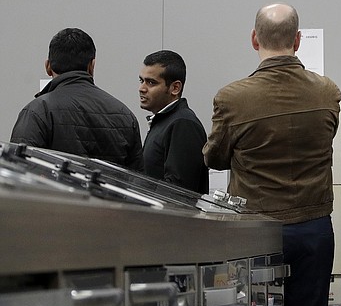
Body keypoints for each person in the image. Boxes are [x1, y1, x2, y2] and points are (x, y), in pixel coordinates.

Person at [203, 3, 341, 306]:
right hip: (312, 229)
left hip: (255, 232)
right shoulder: (327, 92)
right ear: (298, 40)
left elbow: (216, 156)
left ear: (254, 39)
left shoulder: (232, 97)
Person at [11, 27, 143, 171]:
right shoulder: (124, 114)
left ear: (48, 66)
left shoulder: (37, 111)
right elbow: (137, 179)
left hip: (56, 194)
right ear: (92, 66)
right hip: (107, 194)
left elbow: (19, 170)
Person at [139, 50, 208, 193]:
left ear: (175, 88)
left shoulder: (183, 124)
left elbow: (178, 192)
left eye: (151, 83)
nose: (142, 89)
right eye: (141, 80)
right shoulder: (165, 121)